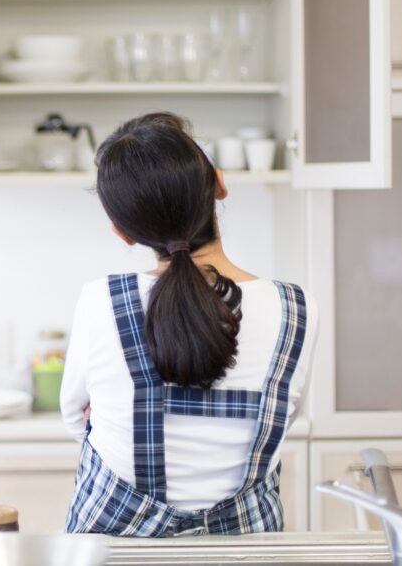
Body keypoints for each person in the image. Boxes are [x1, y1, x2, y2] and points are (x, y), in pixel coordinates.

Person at [60, 112, 317, 537]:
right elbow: (282, 415)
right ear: (219, 183)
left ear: (122, 232)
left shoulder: (100, 301)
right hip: (246, 550)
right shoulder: (296, 307)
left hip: (116, 549)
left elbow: (78, 420)